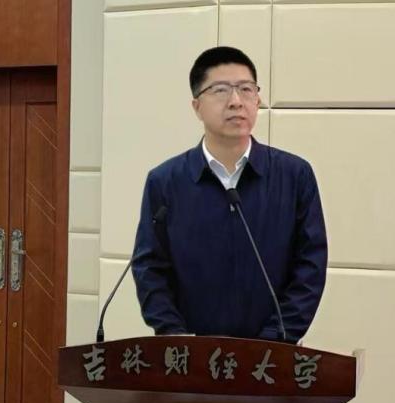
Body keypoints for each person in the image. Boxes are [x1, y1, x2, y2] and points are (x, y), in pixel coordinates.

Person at [131, 46, 327, 344]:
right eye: (221, 90)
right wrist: (176, 337)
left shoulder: (294, 176)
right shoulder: (166, 181)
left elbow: (309, 267)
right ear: (197, 106)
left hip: (272, 357)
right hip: (190, 357)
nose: (236, 101)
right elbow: (150, 268)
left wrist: (273, 340)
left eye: (246, 89)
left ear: (257, 100)